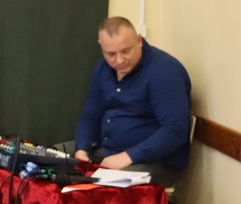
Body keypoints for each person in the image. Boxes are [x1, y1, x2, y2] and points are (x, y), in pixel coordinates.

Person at [74, 16, 192, 188]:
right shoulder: (102, 69)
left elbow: (175, 131)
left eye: (126, 51)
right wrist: (81, 149)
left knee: (100, 187)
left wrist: (128, 156)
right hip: (106, 151)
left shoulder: (164, 71)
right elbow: (90, 116)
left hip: (155, 162)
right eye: (111, 54)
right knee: (44, 164)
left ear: (139, 40)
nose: (119, 60)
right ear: (101, 46)